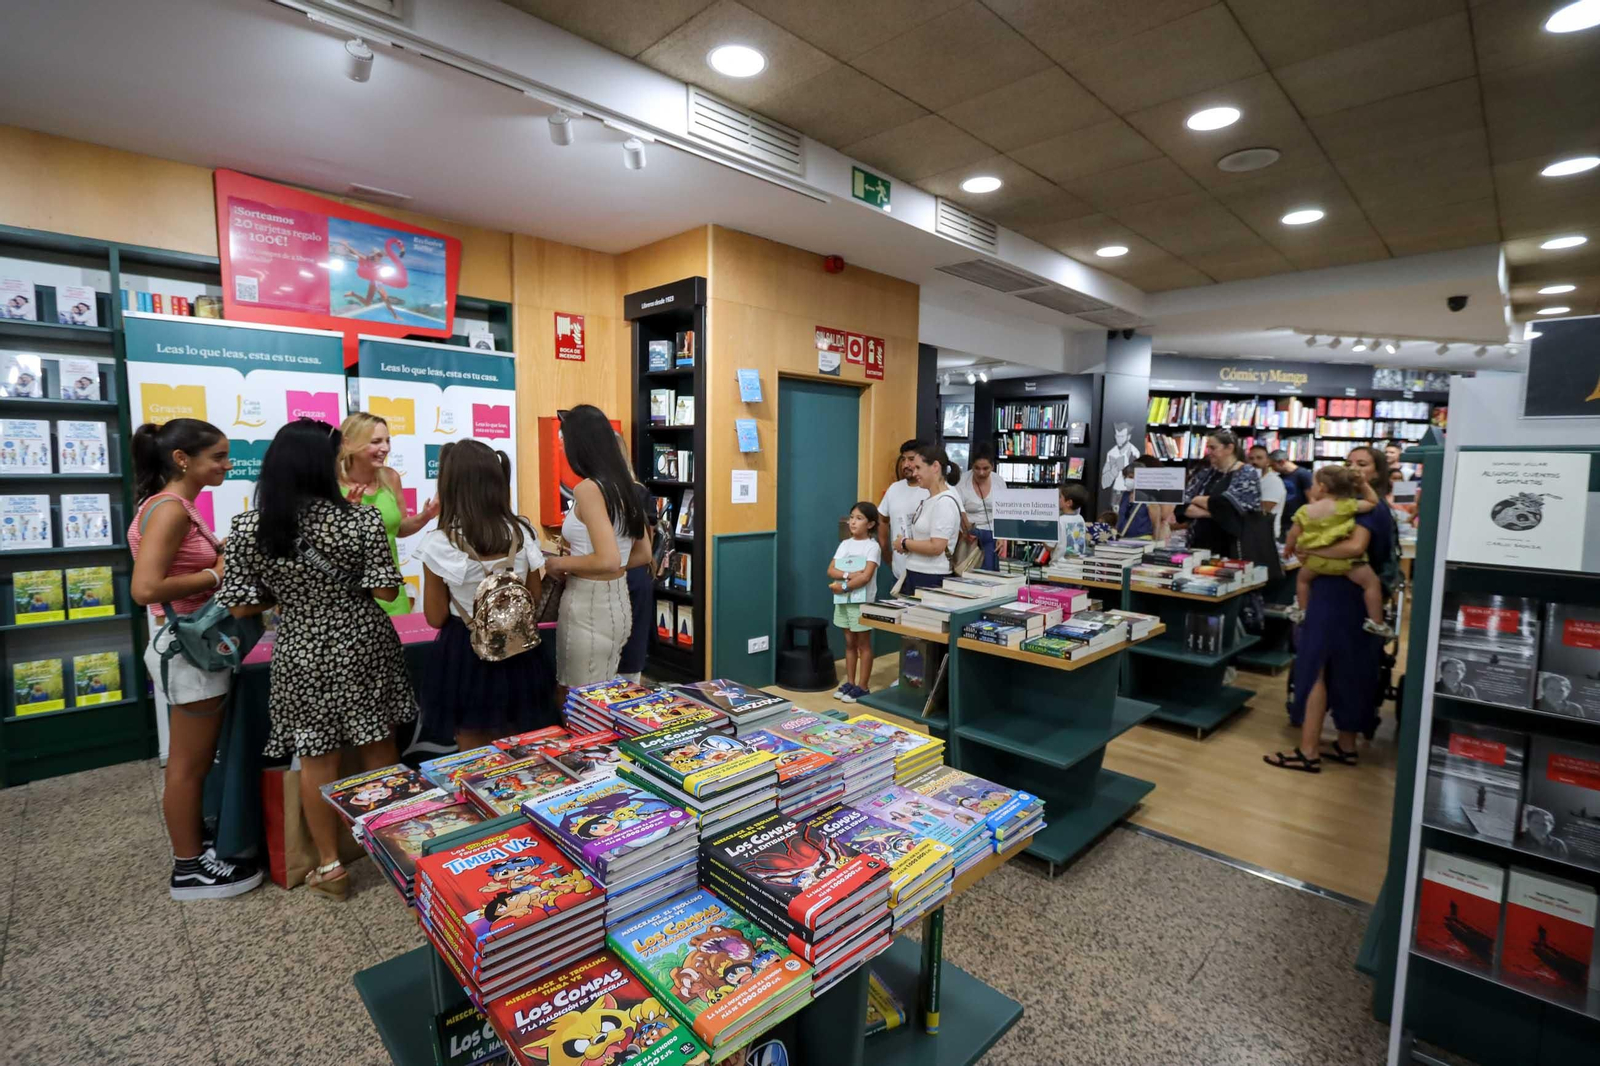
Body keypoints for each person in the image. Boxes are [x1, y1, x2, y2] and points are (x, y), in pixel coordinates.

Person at [216, 418, 418, 900]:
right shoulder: (361, 520)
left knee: (315, 759)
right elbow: (386, 589)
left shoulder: (250, 527)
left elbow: (241, 605)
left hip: (301, 647)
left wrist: (293, 593)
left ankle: (329, 866)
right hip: (364, 642)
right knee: (378, 749)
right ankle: (397, 852)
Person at [128, 418, 263, 901]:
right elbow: (145, 588)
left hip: (195, 648)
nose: (227, 465)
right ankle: (188, 869)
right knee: (188, 765)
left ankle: (195, 846)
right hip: (190, 651)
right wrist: (214, 571)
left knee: (197, 760)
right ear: (182, 458)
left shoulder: (177, 507)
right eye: (219, 457)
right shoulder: (169, 510)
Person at [1265, 448, 1399, 773]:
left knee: (1317, 668)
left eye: (1362, 465)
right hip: (1357, 600)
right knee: (1352, 670)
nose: (1353, 469)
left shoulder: (1362, 510)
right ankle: (1346, 745)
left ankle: (1309, 751)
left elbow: (1354, 548)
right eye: (1349, 463)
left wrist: (1307, 549)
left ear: (1377, 474)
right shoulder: (1366, 507)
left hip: (1336, 595)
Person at [415, 440, 552, 750]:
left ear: (451, 486)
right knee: (519, 741)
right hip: (520, 652)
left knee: (473, 746)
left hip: (465, 656)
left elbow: (435, 617)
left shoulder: (440, 543)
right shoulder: (523, 533)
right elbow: (533, 597)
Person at [545, 405, 652, 688]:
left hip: (588, 604)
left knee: (580, 699)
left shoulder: (588, 489)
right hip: (618, 603)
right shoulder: (626, 486)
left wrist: (559, 563)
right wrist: (596, 561)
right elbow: (642, 553)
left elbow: (607, 559)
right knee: (607, 694)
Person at [337, 411, 439, 615]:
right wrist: (348, 518)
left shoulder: (391, 477)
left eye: (387, 441)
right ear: (348, 443)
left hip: (391, 592)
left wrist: (425, 516)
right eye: (375, 441)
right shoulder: (332, 483)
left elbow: (398, 529)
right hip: (347, 598)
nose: (385, 448)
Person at [1284, 466, 1394, 638]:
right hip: (1346, 563)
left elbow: (1293, 534)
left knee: (1303, 581)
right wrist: (1363, 484)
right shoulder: (1346, 506)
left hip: (1315, 562)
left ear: (1321, 487)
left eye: (1312, 484)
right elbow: (1373, 502)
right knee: (1371, 584)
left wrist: (1289, 548)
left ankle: (1303, 610)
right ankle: (1376, 622)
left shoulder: (1305, 510)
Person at [827, 502, 882, 704]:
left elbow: (866, 576)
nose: (853, 522)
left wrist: (843, 585)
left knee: (863, 644)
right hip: (843, 601)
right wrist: (850, 574)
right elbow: (831, 570)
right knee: (849, 643)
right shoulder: (845, 544)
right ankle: (850, 683)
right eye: (851, 517)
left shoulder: (872, 546)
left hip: (861, 601)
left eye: (859, 518)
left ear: (870, 524)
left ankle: (863, 686)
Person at [615, 432, 658, 684]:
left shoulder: (633, 493)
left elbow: (645, 542)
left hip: (629, 574)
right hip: (635, 573)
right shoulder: (639, 491)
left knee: (628, 655)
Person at [892, 443, 962, 596]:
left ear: (935, 467)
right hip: (916, 573)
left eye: (918, 467)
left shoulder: (944, 502)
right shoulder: (930, 499)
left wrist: (905, 543)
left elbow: (936, 547)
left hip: (930, 577)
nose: (914, 472)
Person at [1181, 430, 1263, 557]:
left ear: (1229, 448)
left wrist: (1196, 499)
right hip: (1198, 544)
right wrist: (1214, 512)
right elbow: (1181, 505)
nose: (1209, 452)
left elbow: (1230, 506)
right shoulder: (1205, 473)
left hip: (1232, 546)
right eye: (1208, 448)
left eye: (1213, 448)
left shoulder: (1246, 472)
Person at [878, 439, 929, 586]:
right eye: (903, 459)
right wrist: (886, 552)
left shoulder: (934, 490)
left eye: (911, 459)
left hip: (928, 574)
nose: (905, 464)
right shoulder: (894, 489)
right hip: (899, 574)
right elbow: (882, 519)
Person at [956, 441, 1005, 570]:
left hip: (992, 532)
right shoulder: (962, 481)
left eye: (985, 468)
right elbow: (958, 509)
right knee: (967, 571)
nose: (981, 473)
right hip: (970, 531)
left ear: (992, 467)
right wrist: (966, 531)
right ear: (972, 466)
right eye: (977, 468)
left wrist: (1002, 536)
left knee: (989, 574)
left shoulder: (999, 482)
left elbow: (1003, 511)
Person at [1114, 455, 1170, 541]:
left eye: (1133, 477)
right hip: (1123, 539)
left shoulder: (1148, 498)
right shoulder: (1125, 495)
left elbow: (1156, 523)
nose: (1129, 480)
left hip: (1143, 540)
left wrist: (1155, 543)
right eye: (1128, 477)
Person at [1271, 450, 1314, 539]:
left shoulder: (1303, 474)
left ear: (1282, 462)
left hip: (1297, 521)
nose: (1272, 469)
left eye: (1273, 465)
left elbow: (1311, 499)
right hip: (1283, 520)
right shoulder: (1279, 477)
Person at [1249, 445, 1286, 541]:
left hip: (1266, 535)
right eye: (1251, 458)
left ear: (1268, 461)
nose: (1255, 462)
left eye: (1259, 458)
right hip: (1251, 533)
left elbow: (1264, 510)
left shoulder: (1273, 481)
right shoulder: (1249, 480)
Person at [1055, 484, 1090, 559]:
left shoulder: (1059, 521)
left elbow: (1050, 547)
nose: (1058, 499)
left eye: (1060, 497)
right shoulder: (1080, 519)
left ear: (1069, 503)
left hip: (1059, 567)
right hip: (1076, 564)